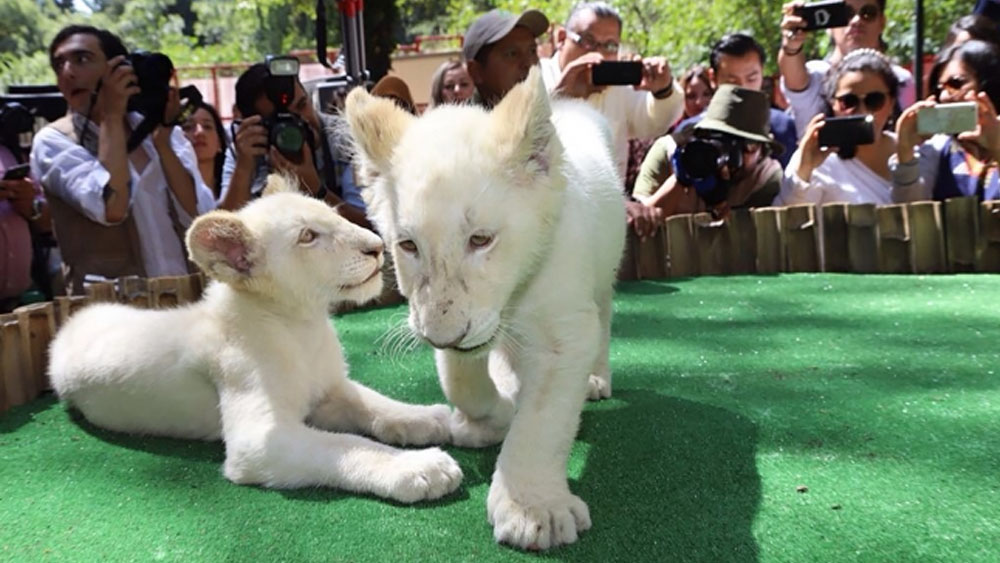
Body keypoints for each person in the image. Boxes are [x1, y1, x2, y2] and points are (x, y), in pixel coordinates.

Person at [31, 25, 216, 292]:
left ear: (119, 68)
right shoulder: (53, 141)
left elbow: (200, 215)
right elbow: (110, 207)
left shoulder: (156, 130)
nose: (68, 73)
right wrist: (111, 116)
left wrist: (162, 143)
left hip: (185, 298)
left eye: (82, 59)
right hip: (114, 309)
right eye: (59, 65)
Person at [540, 2, 682, 180]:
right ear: (561, 38)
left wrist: (663, 89)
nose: (598, 53)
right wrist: (562, 96)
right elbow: (523, 146)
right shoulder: (533, 77)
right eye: (588, 41)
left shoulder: (619, 87)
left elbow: (654, 124)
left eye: (609, 46)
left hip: (605, 196)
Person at [223, 62, 369, 228]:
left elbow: (371, 229)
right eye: (281, 118)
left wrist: (316, 191)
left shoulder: (347, 138)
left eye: (302, 105)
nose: (301, 120)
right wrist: (243, 170)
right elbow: (225, 232)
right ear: (256, 124)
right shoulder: (246, 151)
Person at [638, 85, 784, 219]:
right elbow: (639, 222)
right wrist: (681, 178)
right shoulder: (668, 151)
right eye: (722, 139)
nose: (732, 155)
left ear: (763, 151)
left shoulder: (766, 177)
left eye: (748, 145)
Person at [776, 49, 899, 206]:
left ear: (891, 103)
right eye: (848, 102)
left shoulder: (909, 151)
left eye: (874, 100)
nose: (862, 111)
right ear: (832, 103)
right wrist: (804, 169)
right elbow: (786, 215)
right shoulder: (816, 158)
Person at [779, 0, 916, 141]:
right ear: (829, 26)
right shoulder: (816, 75)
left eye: (868, 13)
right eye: (845, 14)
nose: (856, 20)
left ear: (882, 22)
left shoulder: (902, 79)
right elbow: (793, 74)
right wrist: (791, 43)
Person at [891, 40, 1000, 202]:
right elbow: (910, 207)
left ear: (989, 83)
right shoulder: (938, 148)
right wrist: (905, 152)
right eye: (939, 89)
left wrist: (997, 148)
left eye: (955, 84)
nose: (943, 97)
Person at [672, 33, 798, 168]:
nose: (743, 88)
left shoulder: (782, 126)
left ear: (762, 73)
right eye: (732, 82)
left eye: (751, 79)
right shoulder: (690, 131)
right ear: (713, 78)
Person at [463, 9, 550, 109]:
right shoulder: (460, 119)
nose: (528, 64)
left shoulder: (555, 113)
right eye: (512, 54)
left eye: (532, 51)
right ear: (476, 71)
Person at [181, 101, 227, 199]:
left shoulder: (233, 188)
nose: (199, 132)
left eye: (207, 127)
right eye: (188, 127)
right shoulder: (166, 192)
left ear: (219, 142)